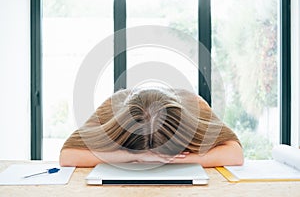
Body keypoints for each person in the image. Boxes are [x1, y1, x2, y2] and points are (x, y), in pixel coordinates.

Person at [59, 87, 243, 167]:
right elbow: (68, 156)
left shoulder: (193, 104)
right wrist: (136, 156)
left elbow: (235, 154)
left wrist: (172, 161)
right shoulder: (112, 106)